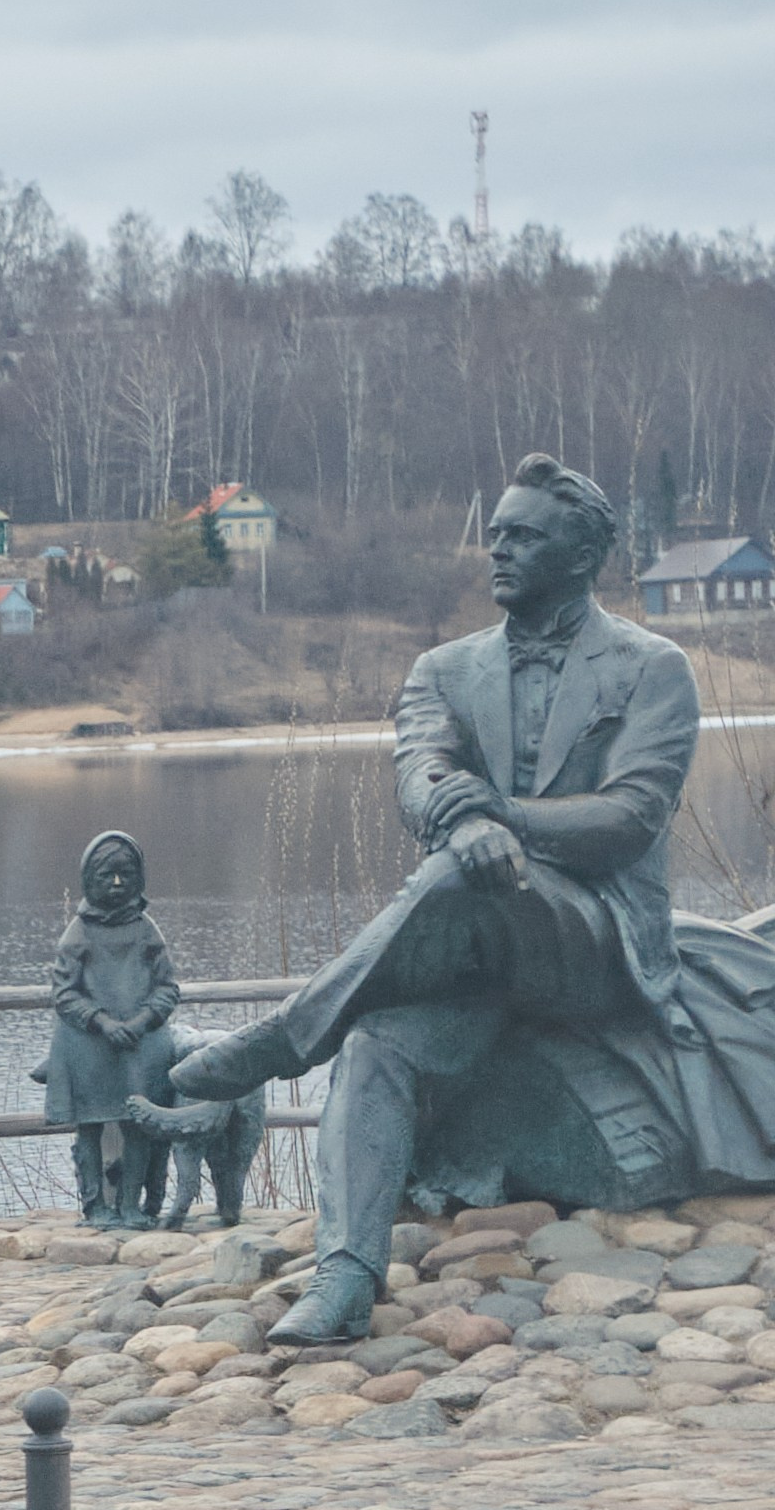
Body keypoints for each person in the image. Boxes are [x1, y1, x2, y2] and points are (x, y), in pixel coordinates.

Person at [170, 451, 775, 1344]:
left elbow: (629, 818)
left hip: (595, 944)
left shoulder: (653, 668)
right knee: (376, 1043)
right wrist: (465, 824)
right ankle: (345, 1277)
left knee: (461, 874)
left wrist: (500, 818)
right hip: (473, 950)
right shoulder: (444, 670)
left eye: (523, 536)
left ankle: (288, 1035)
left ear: (581, 556)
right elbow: (420, 778)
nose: (498, 550)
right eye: (496, 534)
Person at [40, 830, 181, 1227]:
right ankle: (95, 1206)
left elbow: (167, 987)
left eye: (126, 875)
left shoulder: (147, 930)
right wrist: (101, 1021)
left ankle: (131, 1205)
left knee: (139, 1125)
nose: (117, 883)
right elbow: (64, 993)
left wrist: (142, 1021)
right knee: (89, 1128)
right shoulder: (78, 933)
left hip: (139, 1045)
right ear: (90, 879)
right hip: (86, 1045)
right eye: (107, 876)